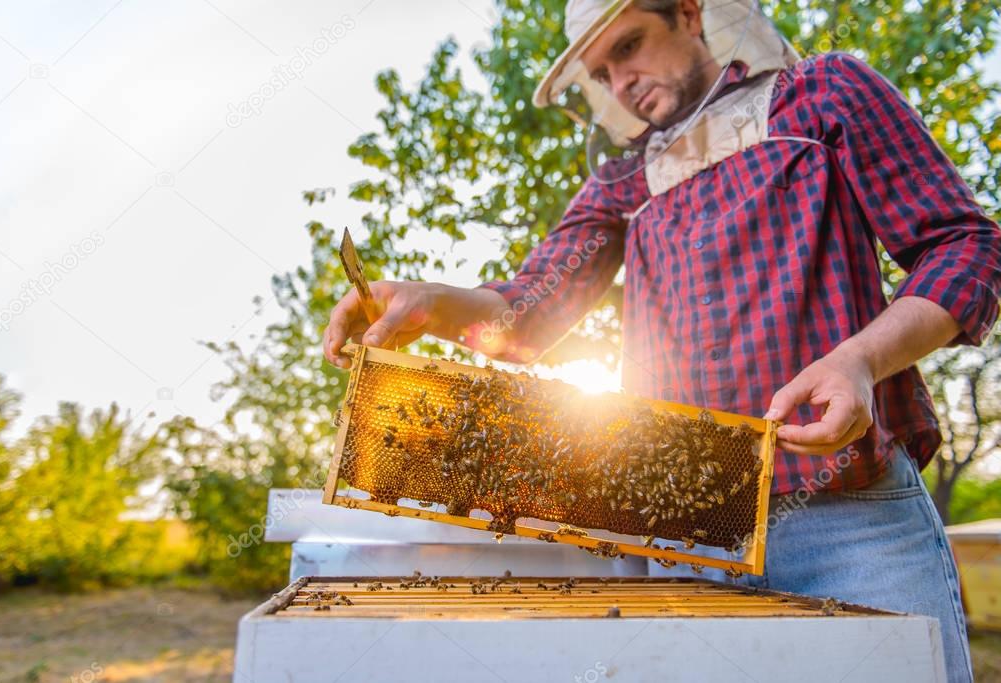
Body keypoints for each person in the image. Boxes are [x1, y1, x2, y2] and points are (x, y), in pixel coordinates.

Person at [322, 1, 1001, 679]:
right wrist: (432, 301)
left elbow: (963, 245)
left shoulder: (822, 92)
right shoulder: (622, 179)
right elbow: (525, 313)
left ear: (688, 11)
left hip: (846, 518)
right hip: (685, 540)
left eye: (629, 46)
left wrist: (859, 358)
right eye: (600, 71)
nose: (619, 81)